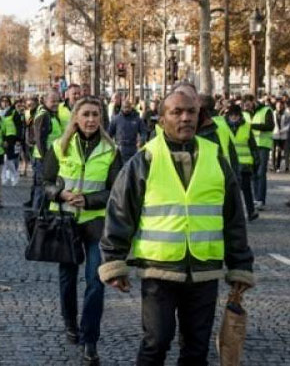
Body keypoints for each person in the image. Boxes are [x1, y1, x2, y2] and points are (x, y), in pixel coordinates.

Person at [98, 91, 255, 365]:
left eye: (191, 112)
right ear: (161, 119)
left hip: (204, 270)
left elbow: (233, 218)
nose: (185, 118)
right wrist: (113, 261)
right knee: (156, 342)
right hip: (160, 270)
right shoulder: (144, 160)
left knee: (196, 349)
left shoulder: (215, 158)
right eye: (177, 112)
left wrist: (240, 264)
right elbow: (120, 212)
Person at [43, 97, 121, 364]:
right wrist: (60, 194)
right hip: (64, 222)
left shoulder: (112, 150)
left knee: (96, 282)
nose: (90, 120)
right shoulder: (59, 146)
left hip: (96, 223)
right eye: (86, 114)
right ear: (76, 117)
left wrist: (88, 200)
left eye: (95, 115)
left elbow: (115, 191)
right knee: (67, 279)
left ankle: (90, 339)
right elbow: (44, 183)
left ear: (101, 119)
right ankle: (69, 322)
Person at [24, 91, 63, 210]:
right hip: (43, 159)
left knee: (44, 189)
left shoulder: (51, 114)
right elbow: (40, 139)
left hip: (49, 157)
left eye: (57, 101)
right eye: (52, 101)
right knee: (41, 190)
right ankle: (37, 219)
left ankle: (42, 216)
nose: (56, 104)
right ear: (45, 101)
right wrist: (46, 159)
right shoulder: (43, 115)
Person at [225, 104, 259, 221]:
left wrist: (256, 160)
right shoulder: (223, 127)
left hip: (245, 164)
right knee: (230, 192)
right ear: (228, 116)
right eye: (232, 115)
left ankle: (250, 212)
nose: (234, 118)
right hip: (229, 164)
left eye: (236, 115)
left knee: (246, 189)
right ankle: (231, 215)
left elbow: (253, 145)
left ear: (240, 116)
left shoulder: (246, 127)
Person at [243, 94, 273, 210]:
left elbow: (269, 126)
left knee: (261, 173)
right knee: (254, 173)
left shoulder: (266, 110)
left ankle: (260, 199)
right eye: (245, 105)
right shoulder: (244, 113)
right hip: (249, 146)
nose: (247, 106)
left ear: (253, 101)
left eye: (248, 104)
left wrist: (252, 126)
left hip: (262, 145)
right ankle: (256, 198)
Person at [108, 99, 148, 165]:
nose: (126, 109)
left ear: (131, 107)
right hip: (119, 149)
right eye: (125, 107)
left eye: (128, 107)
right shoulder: (116, 119)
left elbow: (144, 132)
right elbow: (109, 134)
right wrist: (111, 146)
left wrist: (142, 140)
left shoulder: (137, 119)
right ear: (121, 107)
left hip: (132, 148)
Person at [272, 100, 290, 172]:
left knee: (281, 151)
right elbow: (272, 123)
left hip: (283, 135)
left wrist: (282, 130)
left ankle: (282, 166)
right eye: (277, 105)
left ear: (283, 105)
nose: (279, 106)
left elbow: (288, 125)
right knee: (274, 150)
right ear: (276, 105)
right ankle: (274, 166)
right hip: (275, 134)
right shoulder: (273, 113)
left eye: (280, 105)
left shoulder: (287, 114)